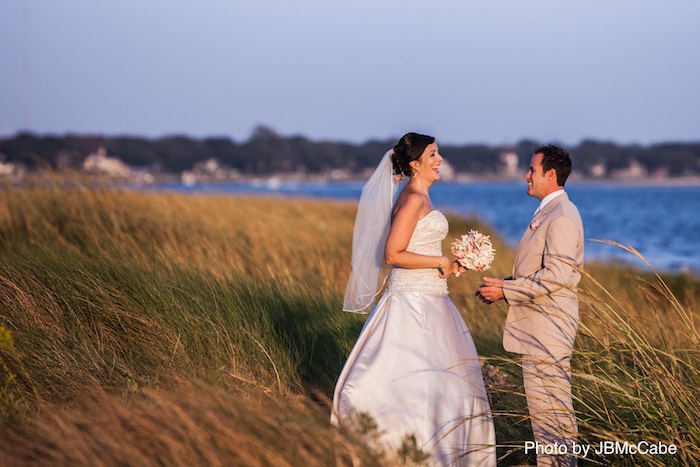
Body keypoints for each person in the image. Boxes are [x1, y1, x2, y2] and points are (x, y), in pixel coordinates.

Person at [332, 133, 496, 466]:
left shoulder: (422, 197)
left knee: (444, 381)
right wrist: (439, 262)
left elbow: (417, 250)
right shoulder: (411, 199)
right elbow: (393, 254)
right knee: (414, 376)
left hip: (433, 297)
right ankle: (410, 449)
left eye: (439, 153)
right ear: (414, 163)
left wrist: (451, 266)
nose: (440, 159)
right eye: (433, 154)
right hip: (412, 302)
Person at [476, 145, 583, 466]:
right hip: (539, 330)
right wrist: (504, 284)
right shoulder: (549, 212)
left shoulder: (562, 215)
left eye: (532, 171)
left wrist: (508, 292)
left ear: (551, 175)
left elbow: (558, 276)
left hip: (548, 331)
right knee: (544, 418)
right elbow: (540, 271)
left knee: (554, 417)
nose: (526, 175)